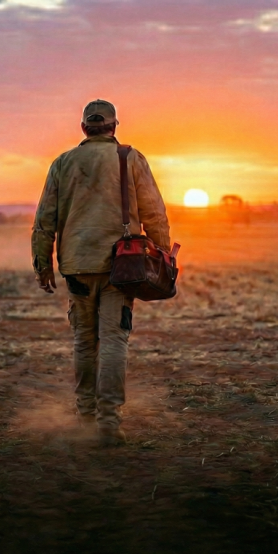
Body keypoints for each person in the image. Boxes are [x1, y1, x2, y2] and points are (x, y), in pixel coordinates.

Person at [30, 99, 171, 447]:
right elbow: (154, 212)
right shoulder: (130, 157)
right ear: (114, 127)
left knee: (83, 341)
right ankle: (109, 423)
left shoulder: (62, 163)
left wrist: (42, 264)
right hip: (120, 267)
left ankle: (86, 417)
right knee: (113, 342)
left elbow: (44, 220)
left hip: (76, 265)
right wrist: (164, 254)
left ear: (83, 128)